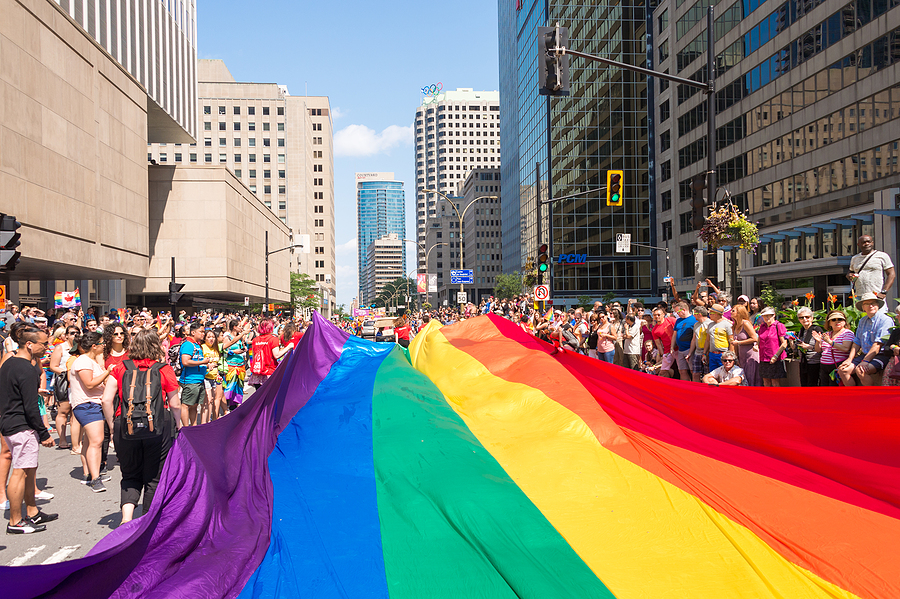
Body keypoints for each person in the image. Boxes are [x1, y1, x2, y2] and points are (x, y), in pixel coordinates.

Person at [102, 328, 182, 524]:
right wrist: (178, 425)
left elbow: (106, 400)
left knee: (129, 473)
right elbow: (175, 403)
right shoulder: (163, 369)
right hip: (157, 425)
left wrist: (113, 427)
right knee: (154, 477)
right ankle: (147, 520)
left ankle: (126, 518)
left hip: (125, 424)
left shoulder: (121, 367)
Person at [1, 325, 58, 534]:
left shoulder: (10, 363)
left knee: (28, 470)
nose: (46, 347)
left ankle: (32, 512)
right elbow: (31, 406)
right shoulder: (24, 368)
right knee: (20, 472)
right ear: (29, 344)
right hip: (21, 426)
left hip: (11, 422)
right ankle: (15, 522)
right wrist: (44, 433)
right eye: (43, 344)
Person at [69, 331, 113, 492]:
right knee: (96, 441)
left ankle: (89, 474)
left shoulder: (90, 361)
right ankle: (95, 478)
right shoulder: (83, 361)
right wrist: (107, 372)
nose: (104, 346)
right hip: (87, 405)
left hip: (93, 404)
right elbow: (89, 384)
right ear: (94, 346)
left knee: (89, 441)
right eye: (101, 343)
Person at [838, 292, 894, 386]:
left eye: (874, 303)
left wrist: (865, 361)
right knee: (842, 370)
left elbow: (878, 344)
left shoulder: (885, 320)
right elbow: (857, 342)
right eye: (867, 304)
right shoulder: (862, 320)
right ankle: (854, 397)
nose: (871, 306)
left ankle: (870, 397)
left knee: (861, 370)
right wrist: (849, 359)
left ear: (878, 305)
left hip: (881, 355)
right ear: (863, 307)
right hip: (864, 355)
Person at [48, 325, 79, 449]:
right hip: (64, 382)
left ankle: (75, 440)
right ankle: (62, 439)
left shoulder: (80, 347)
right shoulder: (60, 348)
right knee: (63, 411)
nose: (75, 335)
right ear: (66, 335)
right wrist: (66, 372)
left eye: (77, 332)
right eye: (72, 333)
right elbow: (53, 366)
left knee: (75, 413)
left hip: (78, 382)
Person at [847, 235, 895, 306]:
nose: (866, 244)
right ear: (858, 244)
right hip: (860, 296)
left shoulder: (882, 256)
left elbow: (891, 274)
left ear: (872, 243)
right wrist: (849, 275)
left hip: (876, 295)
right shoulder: (855, 258)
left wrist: (884, 291)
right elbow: (850, 271)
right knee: (861, 316)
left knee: (878, 316)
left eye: (868, 242)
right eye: (863, 242)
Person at [811, 310, 855, 386]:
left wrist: (830, 342)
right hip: (824, 366)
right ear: (829, 323)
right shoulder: (828, 334)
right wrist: (818, 341)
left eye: (840, 319)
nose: (837, 321)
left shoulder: (847, 333)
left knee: (835, 390)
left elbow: (845, 348)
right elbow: (818, 350)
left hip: (837, 366)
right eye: (833, 320)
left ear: (844, 322)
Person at [247, 319, 293, 390]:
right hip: (269, 371)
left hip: (257, 373)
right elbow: (277, 355)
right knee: (270, 397)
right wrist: (288, 347)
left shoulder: (255, 340)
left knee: (259, 396)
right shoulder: (273, 339)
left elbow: (254, 357)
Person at [179, 322, 209, 427]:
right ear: (193, 332)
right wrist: (203, 362)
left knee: (194, 405)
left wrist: (206, 366)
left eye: (203, 332)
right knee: (186, 405)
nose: (203, 334)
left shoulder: (196, 345)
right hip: (190, 381)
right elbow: (185, 361)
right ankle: (186, 428)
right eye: (201, 332)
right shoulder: (188, 344)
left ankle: (194, 425)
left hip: (198, 380)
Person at [731, 305, 760, 386]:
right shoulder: (734, 326)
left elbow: (755, 338)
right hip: (742, 356)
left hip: (750, 356)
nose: (731, 312)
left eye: (733, 310)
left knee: (751, 378)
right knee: (744, 379)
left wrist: (739, 343)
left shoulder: (746, 323)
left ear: (739, 312)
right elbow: (735, 343)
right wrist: (736, 357)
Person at [796, 306, 824, 386]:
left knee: (812, 386)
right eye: (801, 317)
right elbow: (796, 348)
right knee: (804, 385)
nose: (804, 319)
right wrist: (791, 340)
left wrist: (809, 347)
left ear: (812, 318)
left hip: (814, 363)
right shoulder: (801, 331)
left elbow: (822, 348)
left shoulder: (817, 329)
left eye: (807, 317)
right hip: (803, 362)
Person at [668, 301, 695, 380]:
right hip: (680, 349)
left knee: (693, 371)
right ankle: (685, 388)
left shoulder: (694, 320)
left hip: (689, 349)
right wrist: (672, 347)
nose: (677, 314)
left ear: (684, 310)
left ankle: (695, 388)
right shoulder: (678, 320)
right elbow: (674, 334)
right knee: (682, 370)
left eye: (678, 312)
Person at [706, 304, 733, 372]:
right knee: (713, 374)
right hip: (712, 354)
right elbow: (707, 340)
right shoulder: (710, 325)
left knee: (725, 373)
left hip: (723, 354)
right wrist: (704, 353)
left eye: (711, 313)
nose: (709, 314)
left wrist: (731, 356)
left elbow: (731, 341)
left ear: (716, 314)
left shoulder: (727, 325)